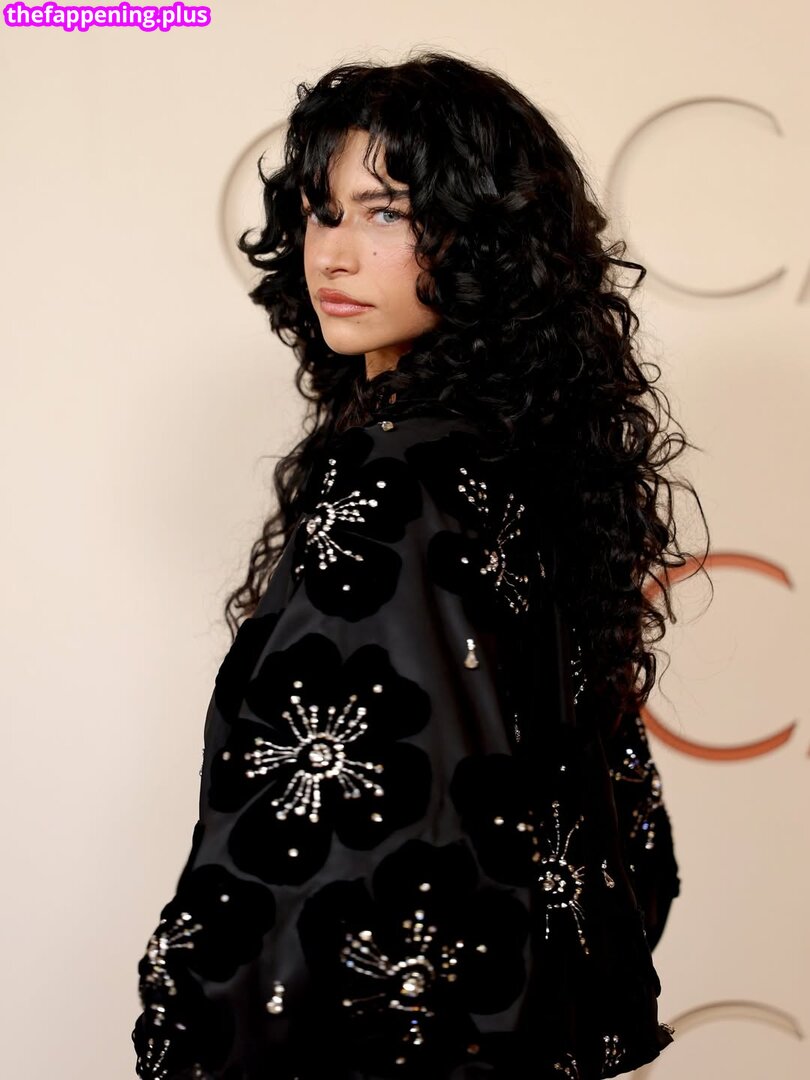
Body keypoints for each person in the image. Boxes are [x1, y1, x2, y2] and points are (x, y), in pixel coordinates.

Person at [131, 50, 710, 1080]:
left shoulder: (400, 470)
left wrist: (200, 1022)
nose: (335, 254)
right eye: (320, 213)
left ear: (486, 234)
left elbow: (325, 838)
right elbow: (630, 849)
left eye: (386, 212)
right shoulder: (528, 469)